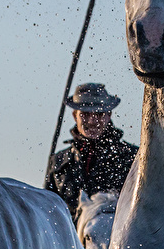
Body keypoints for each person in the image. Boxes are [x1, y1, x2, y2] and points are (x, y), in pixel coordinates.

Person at [45, 82, 138, 219]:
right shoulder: (58, 162)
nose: (93, 121)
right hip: (68, 238)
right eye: (85, 114)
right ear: (74, 115)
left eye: (99, 114)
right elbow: (47, 211)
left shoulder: (132, 158)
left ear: (109, 115)